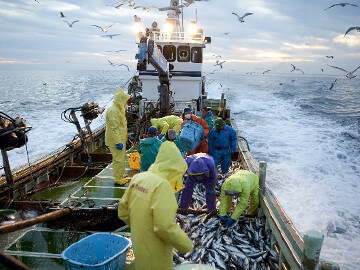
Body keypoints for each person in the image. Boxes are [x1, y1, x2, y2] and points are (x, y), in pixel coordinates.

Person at [118, 141, 193, 269]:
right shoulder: (162, 186)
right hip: (157, 252)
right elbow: (164, 227)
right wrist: (186, 245)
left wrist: (139, 226)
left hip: (138, 242)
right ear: (174, 168)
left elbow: (122, 210)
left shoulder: (139, 178)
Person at [105, 88, 131, 185]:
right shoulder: (113, 111)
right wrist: (117, 142)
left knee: (121, 158)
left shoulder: (119, 108)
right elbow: (113, 128)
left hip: (121, 138)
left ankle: (120, 174)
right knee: (118, 159)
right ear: (120, 100)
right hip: (116, 140)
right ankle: (117, 179)